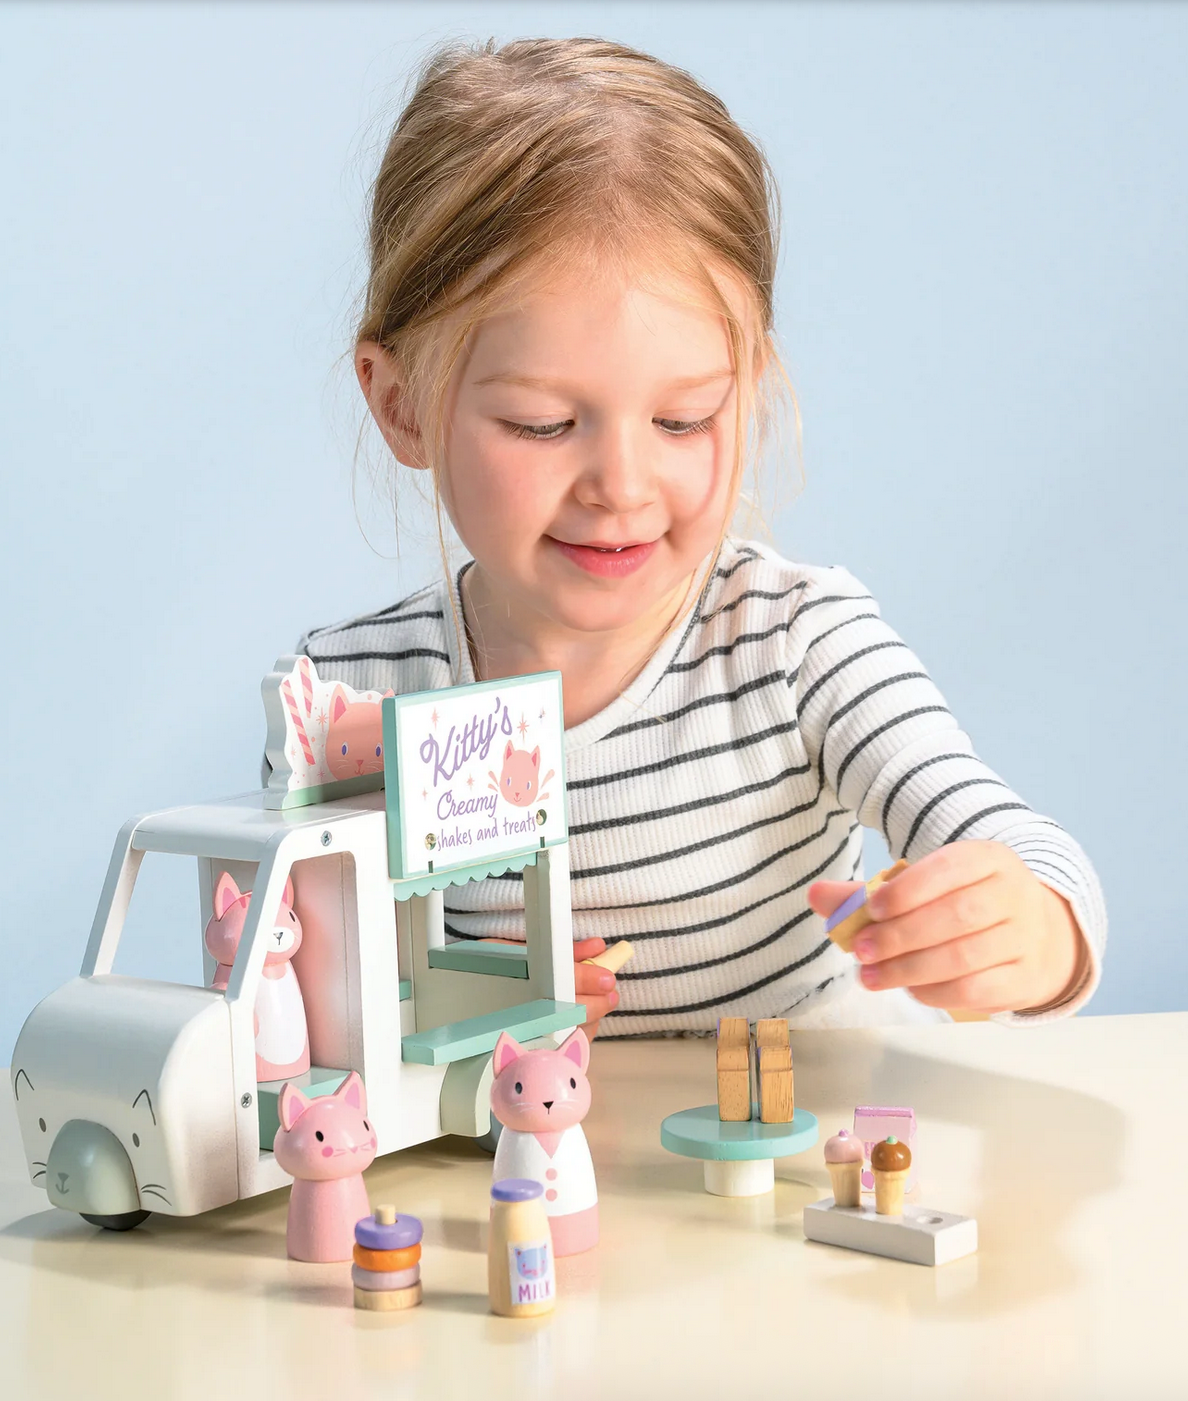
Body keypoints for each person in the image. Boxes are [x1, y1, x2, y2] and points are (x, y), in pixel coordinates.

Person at [296, 36, 1104, 1039]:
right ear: (403, 405)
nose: (622, 486)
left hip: (791, 1165)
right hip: (526, 1185)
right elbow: (315, 1013)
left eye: (683, 420)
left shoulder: (801, 646)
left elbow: (1021, 850)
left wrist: (1033, 928)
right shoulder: (347, 703)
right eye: (544, 424)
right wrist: (458, 1006)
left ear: (750, 390)